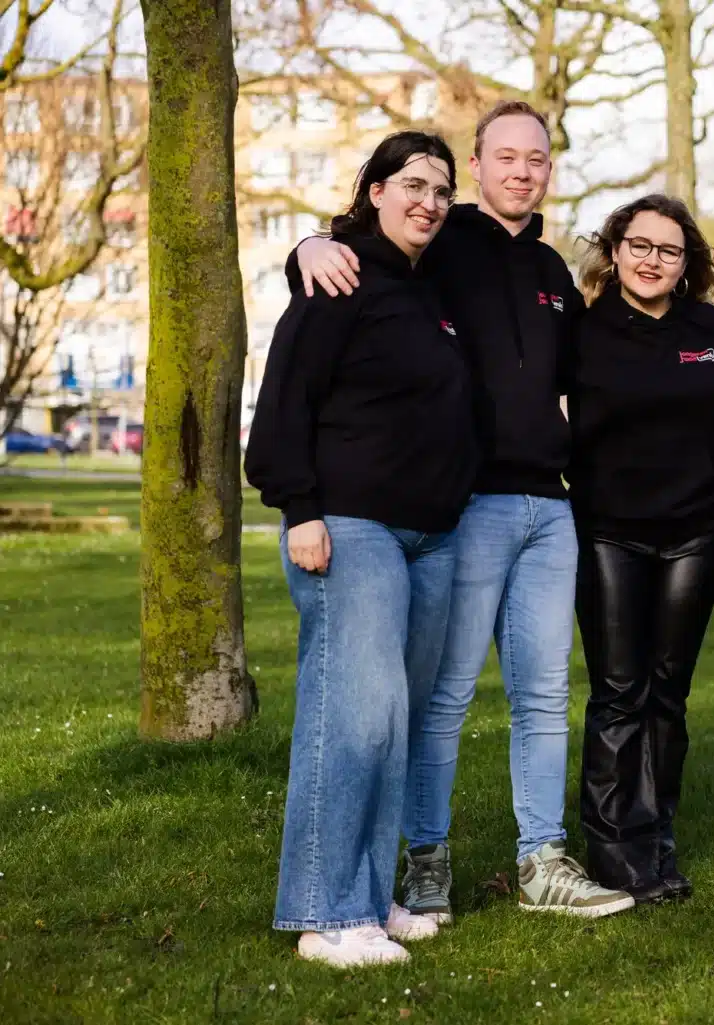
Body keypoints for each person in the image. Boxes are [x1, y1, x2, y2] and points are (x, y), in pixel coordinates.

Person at [291, 101, 633, 920]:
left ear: (549, 171)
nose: (522, 171)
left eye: (536, 159)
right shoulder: (440, 242)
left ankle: (542, 860)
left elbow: (603, 362)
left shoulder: (553, 272)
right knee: (444, 697)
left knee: (544, 695)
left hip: (549, 511)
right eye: (505, 157)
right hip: (466, 505)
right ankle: (426, 859)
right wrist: (307, 244)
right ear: (477, 167)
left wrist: (712, 333)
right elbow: (356, 267)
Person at [246, 131, 477, 967]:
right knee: (354, 717)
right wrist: (300, 509)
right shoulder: (339, 275)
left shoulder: (430, 285)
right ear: (375, 190)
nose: (430, 202)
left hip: (431, 536)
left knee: (392, 723)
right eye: (412, 184)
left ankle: (370, 898)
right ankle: (328, 913)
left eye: (442, 190)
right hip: (349, 526)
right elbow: (285, 400)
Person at [567, 194, 714, 903]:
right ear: (615, 250)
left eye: (668, 250)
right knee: (619, 692)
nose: (652, 260)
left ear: (686, 262)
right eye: (640, 245)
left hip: (695, 531)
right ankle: (615, 851)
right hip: (610, 531)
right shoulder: (583, 329)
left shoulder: (708, 328)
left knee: (668, 693)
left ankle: (658, 838)